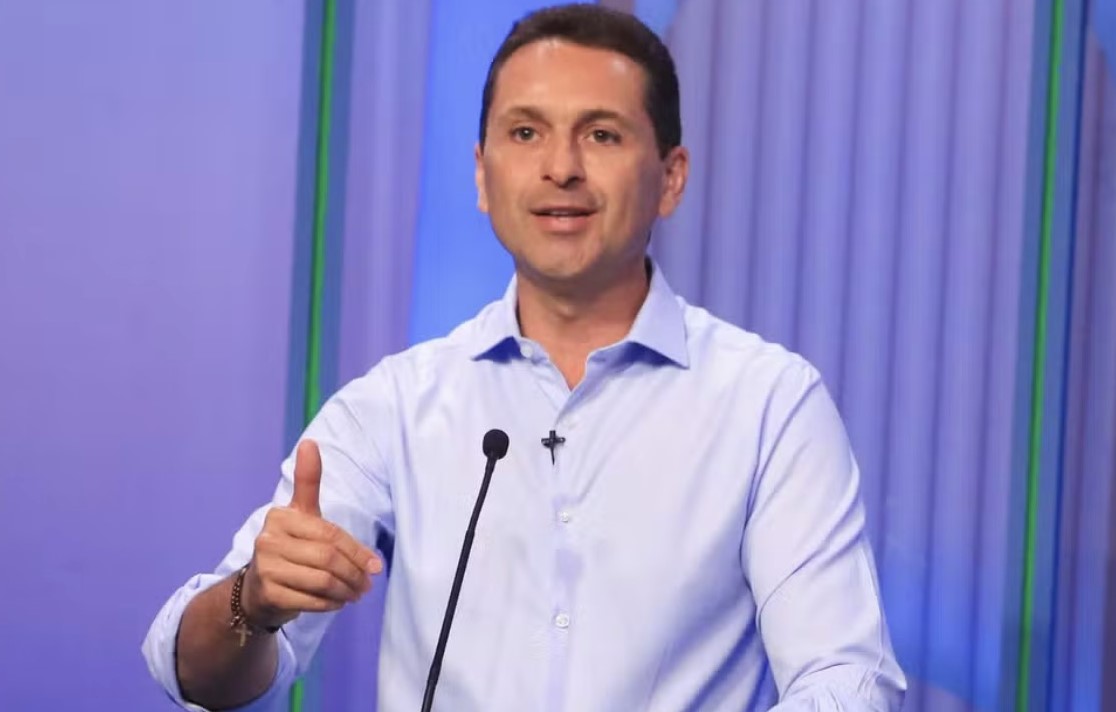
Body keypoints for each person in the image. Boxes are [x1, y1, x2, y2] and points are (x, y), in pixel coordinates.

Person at [143, 4, 905, 710]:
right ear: (482, 175)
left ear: (671, 178)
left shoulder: (769, 405)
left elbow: (846, 678)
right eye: (526, 133)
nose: (560, 168)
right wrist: (253, 602)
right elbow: (195, 674)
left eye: (601, 135)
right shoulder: (396, 407)